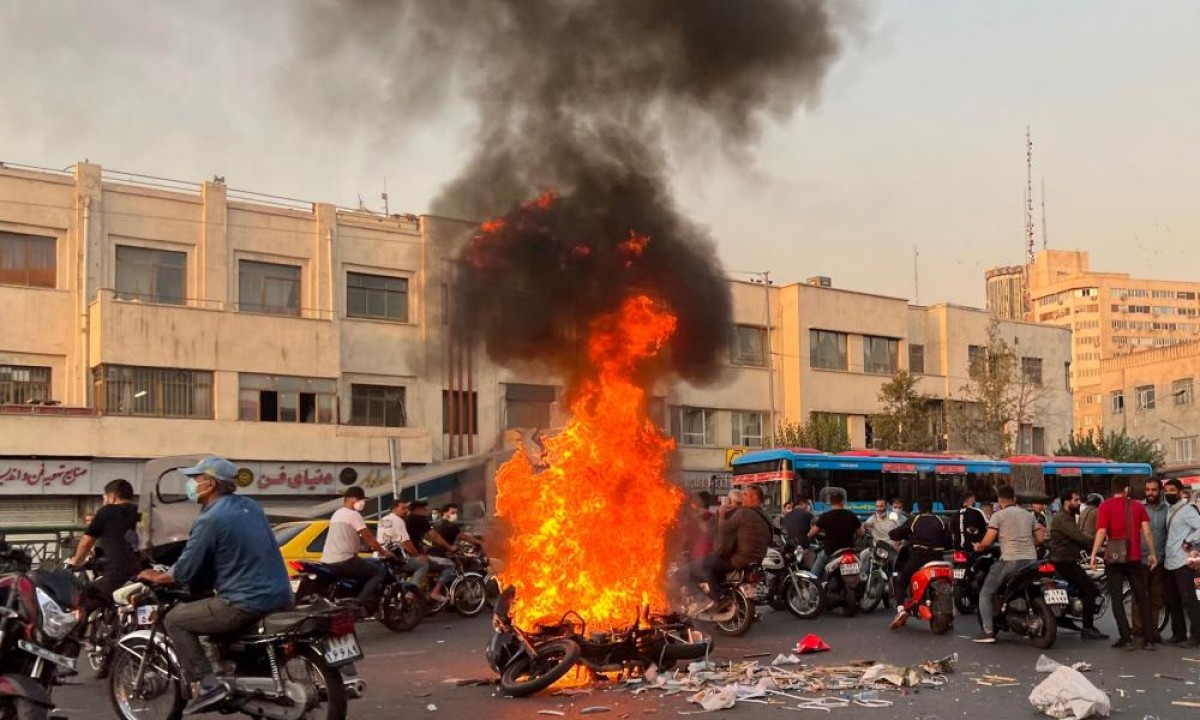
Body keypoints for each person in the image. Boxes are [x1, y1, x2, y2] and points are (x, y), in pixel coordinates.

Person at [135, 456, 293, 715]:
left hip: (244, 601)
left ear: (209, 484)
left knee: (175, 619)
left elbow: (185, 570)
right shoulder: (251, 506)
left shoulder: (210, 519)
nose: (192, 484)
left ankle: (208, 685)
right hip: (281, 595)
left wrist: (157, 576)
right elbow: (232, 552)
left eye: (195, 479)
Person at [1090, 482, 1158, 650]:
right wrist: (1152, 553)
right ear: (1127, 489)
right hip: (1134, 558)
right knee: (1142, 597)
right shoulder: (1137, 506)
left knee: (1117, 599)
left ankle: (1126, 638)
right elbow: (1147, 531)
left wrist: (1093, 554)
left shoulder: (1105, 506)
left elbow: (1101, 531)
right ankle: (1149, 639)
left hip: (1114, 559)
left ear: (1113, 490)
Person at [972, 485, 1039, 643]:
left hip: (1011, 561)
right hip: (1031, 561)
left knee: (985, 593)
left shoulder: (998, 516)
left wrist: (978, 546)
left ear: (999, 501)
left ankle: (988, 632)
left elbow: (988, 541)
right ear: (1014, 499)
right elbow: (1041, 539)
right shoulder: (1028, 515)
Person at [694, 485, 773, 616]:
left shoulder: (744, 513)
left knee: (704, 564)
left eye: (746, 495)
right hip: (757, 560)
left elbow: (724, 528)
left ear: (754, 497)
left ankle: (719, 599)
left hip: (739, 560)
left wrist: (722, 513)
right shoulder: (765, 516)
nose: (743, 498)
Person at [321, 486, 395, 613]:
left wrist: (361, 547)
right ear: (349, 499)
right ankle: (358, 602)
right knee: (378, 572)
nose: (362, 502)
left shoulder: (337, 514)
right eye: (359, 499)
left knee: (367, 563)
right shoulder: (353, 515)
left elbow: (344, 537)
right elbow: (368, 536)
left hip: (328, 560)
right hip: (345, 560)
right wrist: (384, 552)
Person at [1049, 490, 1107, 640]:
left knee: (1084, 587)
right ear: (1066, 502)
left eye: (1078, 500)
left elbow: (1076, 540)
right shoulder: (1062, 518)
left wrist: (1093, 551)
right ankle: (1087, 628)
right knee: (1090, 590)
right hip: (1064, 561)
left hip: (1067, 559)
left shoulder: (1068, 517)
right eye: (1075, 500)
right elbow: (1079, 537)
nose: (1078, 503)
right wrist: (1098, 547)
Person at [1132, 478, 1185, 644]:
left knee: (1157, 598)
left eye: (1154, 490)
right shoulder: (1138, 508)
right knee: (1138, 598)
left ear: (1160, 491)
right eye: (1148, 490)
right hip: (1140, 559)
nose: (1150, 493)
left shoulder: (1168, 510)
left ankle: (1153, 631)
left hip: (1160, 560)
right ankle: (1139, 632)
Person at [888, 497, 951, 629]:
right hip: (938, 557)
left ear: (919, 508)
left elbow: (897, 533)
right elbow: (948, 542)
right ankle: (949, 617)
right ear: (932, 508)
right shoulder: (941, 520)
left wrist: (893, 534)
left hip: (919, 556)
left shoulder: (914, 519)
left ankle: (901, 610)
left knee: (901, 579)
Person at [1164, 479, 1200, 648]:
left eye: (1172, 490)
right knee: (1173, 601)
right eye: (1167, 490)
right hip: (1169, 562)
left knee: (1189, 601)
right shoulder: (1170, 510)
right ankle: (1178, 634)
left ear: (1180, 492)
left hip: (1183, 562)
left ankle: (1196, 636)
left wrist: (1189, 540)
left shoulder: (1187, 510)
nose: (1169, 493)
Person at [426, 503, 484, 602]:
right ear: (445, 513)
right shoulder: (450, 526)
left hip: (432, 553)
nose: (455, 515)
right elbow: (463, 536)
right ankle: (446, 591)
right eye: (453, 512)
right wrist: (479, 542)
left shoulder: (436, 524)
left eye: (456, 513)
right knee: (469, 564)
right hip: (441, 554)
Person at [808, 490, 863, 579]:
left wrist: (808, 535)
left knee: (818, 562)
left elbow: (812, 533)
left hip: (830, 551)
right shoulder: (851, 515)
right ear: (843, 501)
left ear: (831, 503)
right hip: (849, 550)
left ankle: (812, 587)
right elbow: (861, 532)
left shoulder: (825, 516)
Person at [377, 500, 430, 586]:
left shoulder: (383, 519)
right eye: (403, 508)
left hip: (380, 556)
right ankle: (412, 591)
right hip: (394, 558)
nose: (406, 510)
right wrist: (417, 555)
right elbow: (405, 542)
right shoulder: (398, 520)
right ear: (394, 509)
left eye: (407, 508)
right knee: (422, 564)